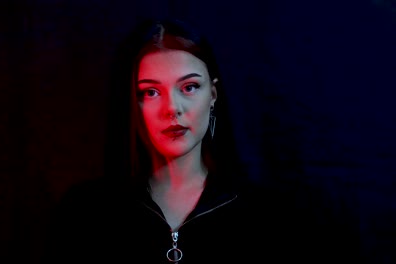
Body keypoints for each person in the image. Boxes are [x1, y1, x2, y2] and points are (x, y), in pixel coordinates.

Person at [42, 17, 363, 264]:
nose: (173, 109)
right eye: (151, 92)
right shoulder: (86, 212)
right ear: (133, 103)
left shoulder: (269, 216)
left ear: (213, 94)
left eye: (189, 87)